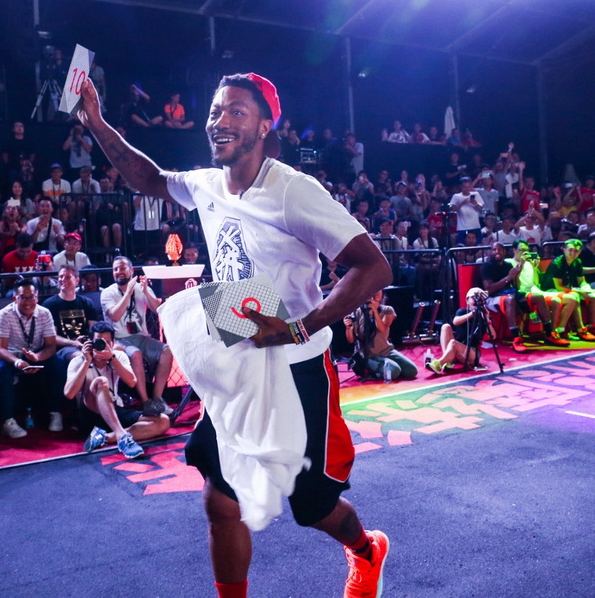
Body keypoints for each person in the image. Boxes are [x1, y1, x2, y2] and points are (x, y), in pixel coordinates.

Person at [77, 72, 393, 598]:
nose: (220, 121)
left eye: (237, 112)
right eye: (216, 112)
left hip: (296, 367)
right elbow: (147, 178)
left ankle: (366, 550)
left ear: (265, 127)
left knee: (313, 505)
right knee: (221, 502)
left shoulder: (292, 190)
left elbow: (373, 267)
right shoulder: (205, 183)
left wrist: (299, 326)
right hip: (238, 354)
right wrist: (96, 122)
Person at [65, 321, 170, 459]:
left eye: (107, 342)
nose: (103, 345)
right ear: (90, 343)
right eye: (99, 341)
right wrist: (86, 361)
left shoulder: (118, 356)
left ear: (113, 343)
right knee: (100, 381)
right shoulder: (78, 361)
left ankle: (107, 437)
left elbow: (132, 382)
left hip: (114, 408)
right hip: (90, 413)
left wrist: (112, 358)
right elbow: (69, 393)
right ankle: (122, 436)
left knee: (163, 421)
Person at [100, 256, 174, 417]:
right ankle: (146, 402)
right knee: (136, 354)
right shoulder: (107, 292)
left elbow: (158, 309)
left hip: (141, 336)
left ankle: (157, 399)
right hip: (118, 339)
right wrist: (127, 293)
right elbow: (114, 316)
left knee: (167, 351)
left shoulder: (141, 287)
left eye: (122, 268)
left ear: (131, 270)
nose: (119, 272)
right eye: (115, 269)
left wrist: (146, 291)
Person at [0, 279, 58, 438]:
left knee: (59, 365)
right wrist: (18, 362)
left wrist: (37, 357)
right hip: (12, 356)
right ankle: (7, 420)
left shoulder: (44, 313)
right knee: (2, 370)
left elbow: (51, 346)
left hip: (37, 354)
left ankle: (56, 412)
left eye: (31, 297)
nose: (28, 302)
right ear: (15, 298)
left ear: (37, 297)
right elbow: (0, 349)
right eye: (23, 297)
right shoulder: (5, 314)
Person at [344, 289, 418, 381]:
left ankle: (383, 368)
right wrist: (348, 328)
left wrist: (375, 311)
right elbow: (351, 340)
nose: (376, 292)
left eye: (379, 289)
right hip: (368, 355)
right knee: (394, 371)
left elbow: (382, 329)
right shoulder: (359, 311)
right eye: (374, 289)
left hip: (386, 350)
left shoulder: (387, 310)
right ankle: (371, 370)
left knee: (412, 371)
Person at [43, 264, 102, 378]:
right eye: (61, 277)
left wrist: (88, 342)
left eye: (67, 277)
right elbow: (52, 337)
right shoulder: (49, 304)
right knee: (80, 358)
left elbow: (94, 330)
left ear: (77, 280)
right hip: (64, 348)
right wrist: (74, 343)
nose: (63, 280)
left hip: (86, 344)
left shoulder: (87, 303)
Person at [545, 238, 595, 340]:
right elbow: (559, 287)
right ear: (564, 250)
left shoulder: (577, 262)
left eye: (576, 251)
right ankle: (574, 330)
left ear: (580, 252)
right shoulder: (557, 263)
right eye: (570, 250)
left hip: (568, 289)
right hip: (551, 290)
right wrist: (579, 291)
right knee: (574, 297)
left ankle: (592, 326)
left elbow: (581, 281)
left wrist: (586, 288)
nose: (573, 253)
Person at [425, 287, 491, 375]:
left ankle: (439, 363)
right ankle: (449, 361)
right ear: (467, 300)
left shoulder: (484, 315)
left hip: (472, 353)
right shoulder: (462, 311)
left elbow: (493, 336)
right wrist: (472, 314)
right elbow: (455, 322)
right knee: (445, 326)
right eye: (473, 298)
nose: (476, 301)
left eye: (479, 298)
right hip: (457, 347)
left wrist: (486, 319)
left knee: (453, 343)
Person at [480, 242, 528, 353]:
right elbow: (488, 289)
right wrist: (508, 277)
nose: (497, 252)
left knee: (536, 297)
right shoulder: (486, 266)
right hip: (491, 298)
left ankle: (550, 333)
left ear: (505, 252)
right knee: (510, 299)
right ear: (490, 252)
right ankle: (516, 338)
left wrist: (517, 274)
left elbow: (515, 286)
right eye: (494, 250)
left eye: (500, 249)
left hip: (509, 294)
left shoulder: (507, 265)